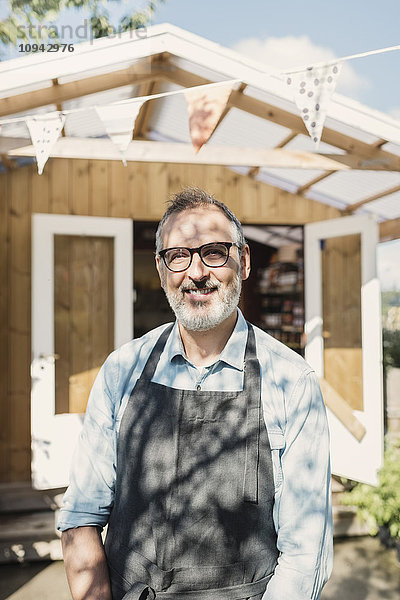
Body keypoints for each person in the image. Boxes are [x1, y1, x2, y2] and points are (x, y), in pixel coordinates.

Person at [58, 187, 333, 600]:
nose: (196, 272)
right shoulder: (122, 370)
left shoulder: (291, 382)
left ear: (243, 262)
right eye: (179, 256)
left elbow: (304, 555)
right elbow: (81, 515)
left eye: (214, 252)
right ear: (161, 268)